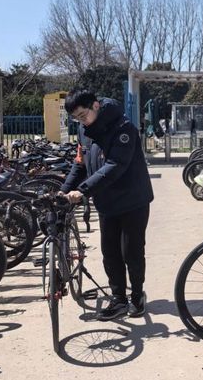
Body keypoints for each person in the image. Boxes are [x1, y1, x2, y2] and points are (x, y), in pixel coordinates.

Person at [60, 90, 154, 321]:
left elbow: (115, 165)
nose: (81, 122)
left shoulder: (124, 128)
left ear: (95, 106)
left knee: (131, 252)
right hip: (106, 201)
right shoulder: (84, 132)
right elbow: (80, 164)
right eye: (76, 119)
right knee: (110, 253)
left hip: (133, 199)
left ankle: (137, 296)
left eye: (83, 115)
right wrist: (64, 190)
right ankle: (119, 299)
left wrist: (83, 191)